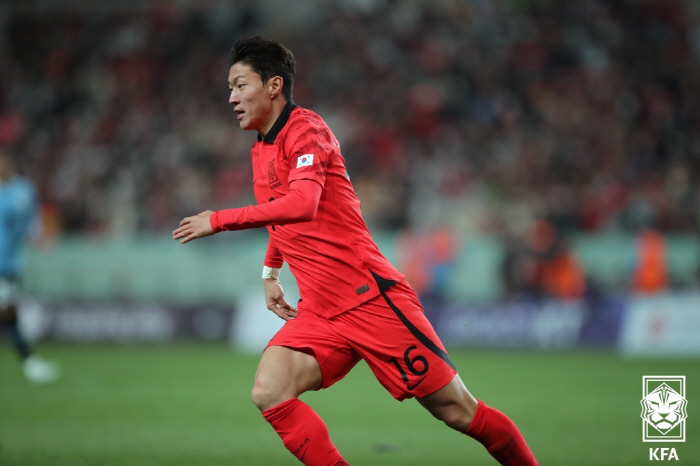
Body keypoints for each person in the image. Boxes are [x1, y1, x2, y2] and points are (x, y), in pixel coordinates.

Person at [173, 36, 539, 466]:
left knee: (458, 411)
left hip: (370, 299)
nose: (232, 98)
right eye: (230, 89)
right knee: (270, 391)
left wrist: (219, 220)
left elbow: (303, 204)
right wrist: (271, 273)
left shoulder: (306, 130)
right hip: (320, 311)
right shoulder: (261, 147)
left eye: (240, 85)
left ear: (273, 86)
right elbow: (280, 214)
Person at [0, 152, 59, 385]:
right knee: (7, 313)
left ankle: (31, 363)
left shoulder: (24, 190)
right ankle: (31, 363)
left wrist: (38, 238)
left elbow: (31, 222)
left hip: (9, 264)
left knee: (8, 314)